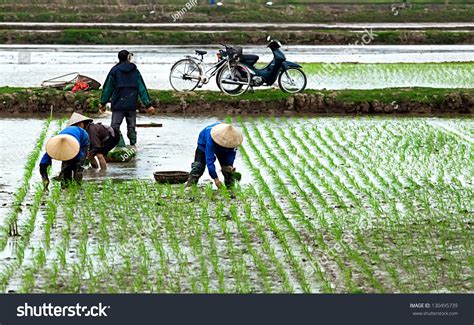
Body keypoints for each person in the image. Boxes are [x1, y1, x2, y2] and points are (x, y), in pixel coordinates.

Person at [99, 50, 155, 146]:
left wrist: (103, 102)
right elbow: (142, 88)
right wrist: (148, 104)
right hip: (131, 103)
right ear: (128, 58)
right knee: (131, 127)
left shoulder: (114, 71)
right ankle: (133, 146)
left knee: (115, 127)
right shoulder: (135, 71)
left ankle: (115, 146)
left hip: (118, 104)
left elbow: (108, 88)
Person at [186, 122, 243, 188]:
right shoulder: (211, 140)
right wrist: (216, 179)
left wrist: (229, 165)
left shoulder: (232, 141)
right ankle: (189, 188)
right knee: (198, 167)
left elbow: (231, 154)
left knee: (227, 170)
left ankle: (230, 189)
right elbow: (209, 161)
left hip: (224, 149)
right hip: (203, 145)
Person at [39, 114, 90, 189]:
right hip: (66, 140)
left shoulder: (81, 134)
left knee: (78, 166)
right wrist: (44, 175)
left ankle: (77, 186)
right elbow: (44, 162)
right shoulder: (55, 143)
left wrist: (76, 163)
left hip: (82, 142)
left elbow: (79, 155)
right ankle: (65, 186)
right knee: (66, 166)